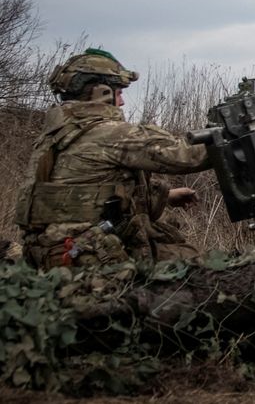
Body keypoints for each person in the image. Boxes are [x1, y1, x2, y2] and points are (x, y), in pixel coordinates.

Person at [15, 48, 210, 269]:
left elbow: (83, 193)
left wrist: (166, 195)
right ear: (102, 93)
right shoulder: (106, 132)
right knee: (197, 271)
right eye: (119, 93)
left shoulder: (55, 135)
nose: (123, 102)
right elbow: (187, 156)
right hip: (86, 255)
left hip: (51, 251)